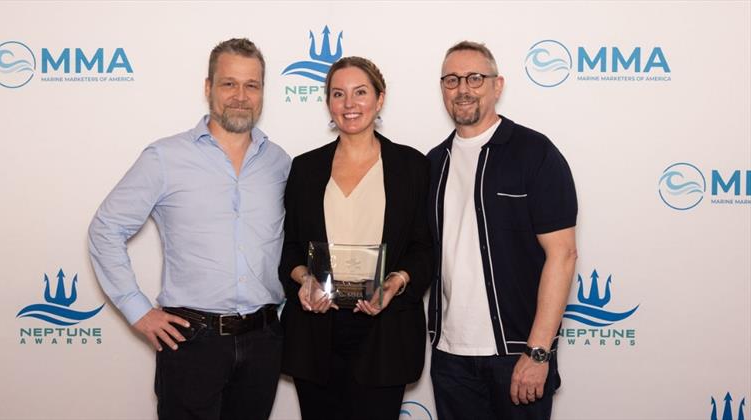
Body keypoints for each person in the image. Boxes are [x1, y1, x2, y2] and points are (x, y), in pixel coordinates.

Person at [87, 38, 290, 420]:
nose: (240, 96)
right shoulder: (165, 158)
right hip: (192, 339)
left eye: (252, 85)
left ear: (263, 91)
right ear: (208, 87)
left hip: (264, 340)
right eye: (229, 83)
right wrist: (138, 310)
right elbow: (106, 229)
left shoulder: (279, 162)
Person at [426, 41, 578, 420]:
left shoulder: (534, 152)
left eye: (475, 78)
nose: (463, 89)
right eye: (452, 80)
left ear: (498, 85)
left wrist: (538, 352)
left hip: (517, 355)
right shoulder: (432, 164)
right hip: (450, 358)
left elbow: (563, 254)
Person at [278, 56, 433, 420]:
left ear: (380, 99)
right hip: (316, 334)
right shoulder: (304, 168)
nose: (350, 104)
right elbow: (288, 249)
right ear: (328, 103)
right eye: (338, 94)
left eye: (360, 92)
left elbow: (425, 249)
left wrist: (396, 281)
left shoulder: (412, 166)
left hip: (386, 334)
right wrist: (305, 281)